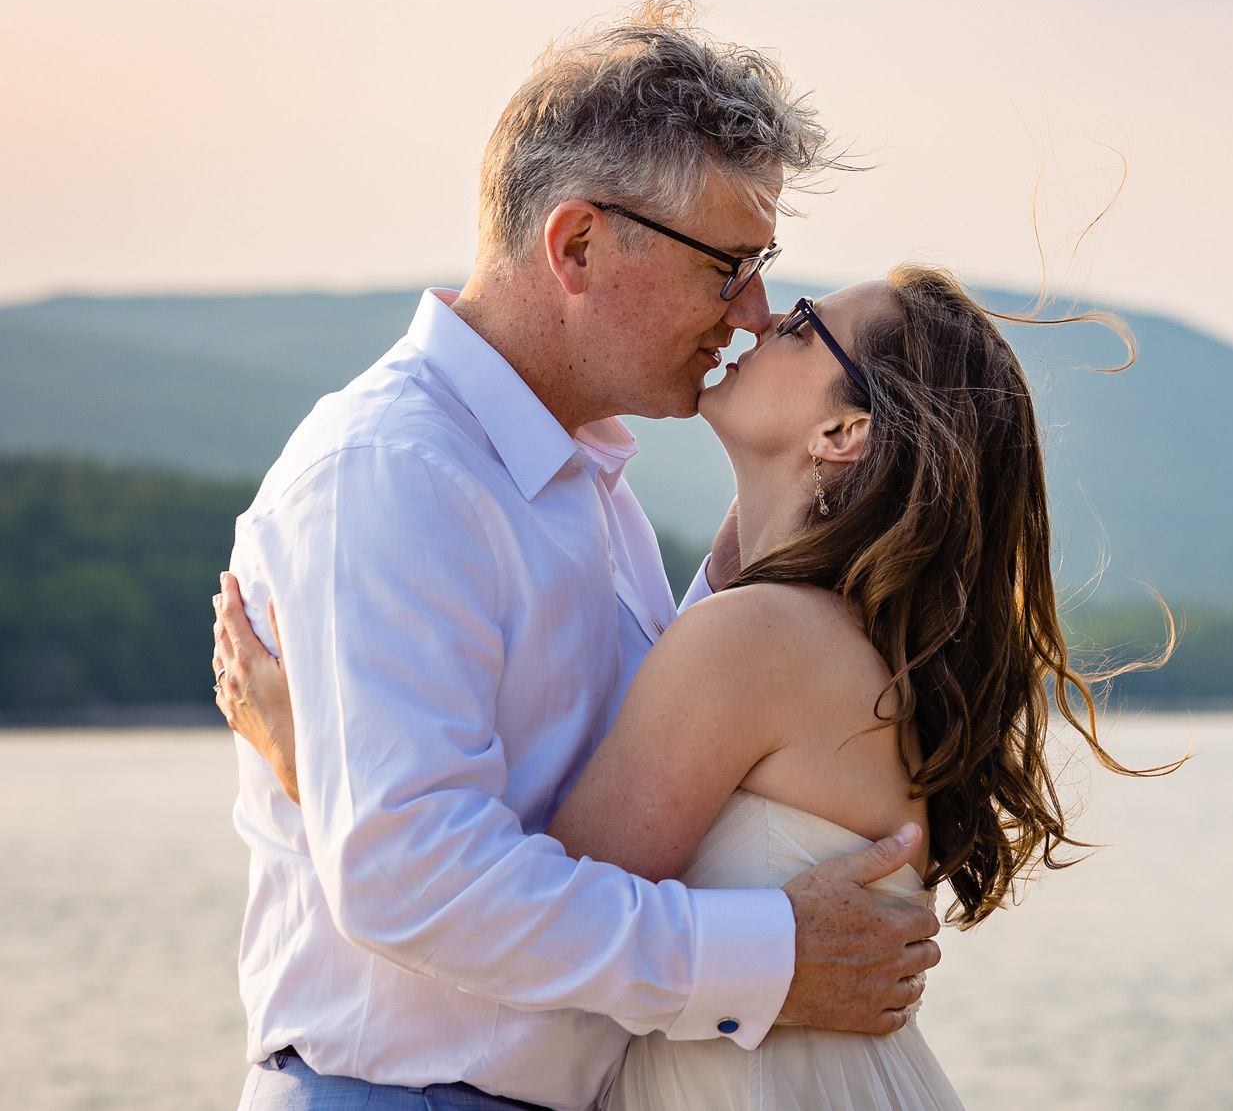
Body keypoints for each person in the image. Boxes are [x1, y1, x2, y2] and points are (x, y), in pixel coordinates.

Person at [211, 0, 941, 1111]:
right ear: (578, 244)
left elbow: (605, 767)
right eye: (725, 265)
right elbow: (412, 877)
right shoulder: (396, 474)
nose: (749, 311)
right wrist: (769, 954)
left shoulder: (579, 478)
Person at [217, 267, 1173, 1109]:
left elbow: (529, 909)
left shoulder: (758, 639)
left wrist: (320, 766)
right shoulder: (824, 636)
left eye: (802, 322)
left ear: (844, 429)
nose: (756, 319)